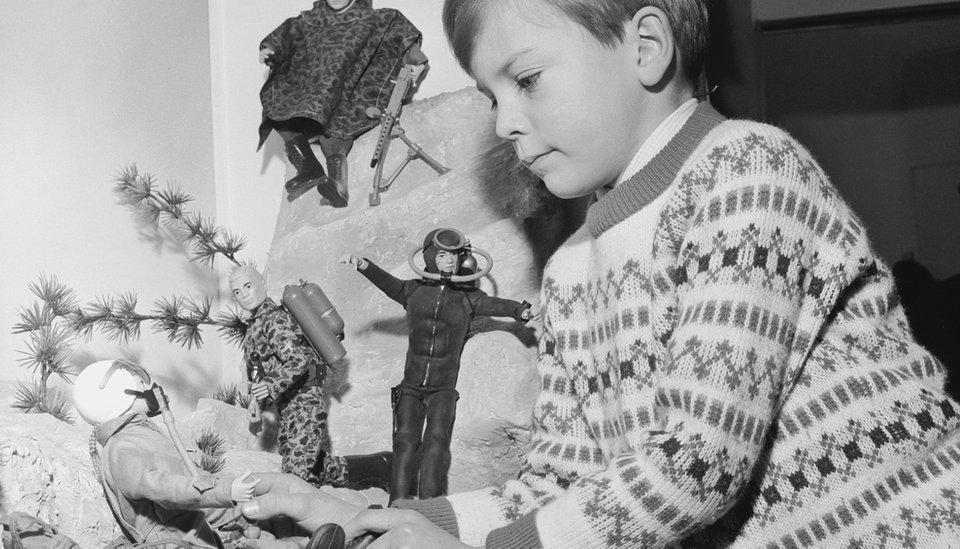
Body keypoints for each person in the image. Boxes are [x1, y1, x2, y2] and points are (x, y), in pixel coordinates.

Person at [240, 1, 960, 547]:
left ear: (645, 47)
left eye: (525, 79)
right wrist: (380, 516)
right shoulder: (575, 267)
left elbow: (697, 462)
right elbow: (561, 483)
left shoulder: (747, 170)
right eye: (492, 97)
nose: (505, 123)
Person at [342, 227, 533, 502]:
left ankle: (430, 509)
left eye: (454, 256)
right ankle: (396, 505)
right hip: (410, 386)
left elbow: (497, 305)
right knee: (405, 443)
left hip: (443, 389)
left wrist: (519, 310)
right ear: (430, 257)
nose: (449, 261)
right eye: (442, 255)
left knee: (436, 446)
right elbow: (388, 283)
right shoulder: (413, 291)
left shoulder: (468, 297)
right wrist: (364, 266)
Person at [231, 265, 390, 491]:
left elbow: (299, 361)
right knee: (305, 465)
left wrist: (270, 385)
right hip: (288, 407)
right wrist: (257, 401)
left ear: (263, 284)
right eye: (237, 291)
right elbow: (257, 367)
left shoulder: (275, 320)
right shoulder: (254, 328)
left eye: (248, 286)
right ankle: (378, 466)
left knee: (296, 475)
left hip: (306, 400)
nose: (244, 295)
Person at [258, 0, 428, 206]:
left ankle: (337, 184)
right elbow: (286, 34)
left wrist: (417, 61)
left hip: (352, 92)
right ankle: (307, 165)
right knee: (279, 109)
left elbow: (403, 38)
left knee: (336, 128)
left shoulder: (377, 19)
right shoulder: (309, 21)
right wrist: (269, 48)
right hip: (313, 93)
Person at [76, 359, 261, 547]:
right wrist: (226, 491)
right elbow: (164, 487)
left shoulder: (138, 434)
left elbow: (189, 478)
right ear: (121, 395)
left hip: (193, 533)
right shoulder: (122, 447)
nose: (150, 388)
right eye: (141, 384)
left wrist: (235, 512)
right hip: (176, 541)